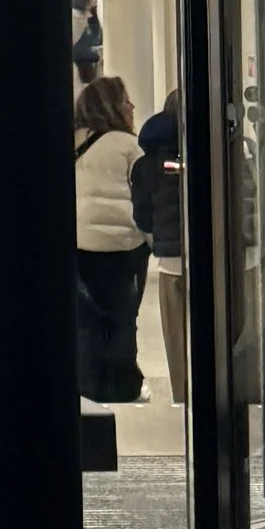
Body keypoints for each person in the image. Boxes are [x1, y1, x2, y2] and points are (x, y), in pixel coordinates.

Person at [74, 72, 148, 401]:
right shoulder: (130, 146)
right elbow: (143, 196)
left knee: (87, 318)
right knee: (122, 316)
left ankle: (87, 381)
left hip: (78, 243)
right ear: (112, 106)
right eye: (126, 100)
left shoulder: (71, 139)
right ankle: (120, 383)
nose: (131, 105)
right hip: (122, 247)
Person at [132, 90, 187, 402]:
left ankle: (183, 400)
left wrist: (158, 240)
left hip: (172, 262)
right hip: (225, 263)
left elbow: (143, 216)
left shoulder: (147, 164)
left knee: (178, 341)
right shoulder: (226, 150)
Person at [70, 0, 105, 89]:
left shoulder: (88, 16)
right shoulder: (76, 19)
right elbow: (76, 47)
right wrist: (95, 54)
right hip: (82, 66)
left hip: (91, 64)